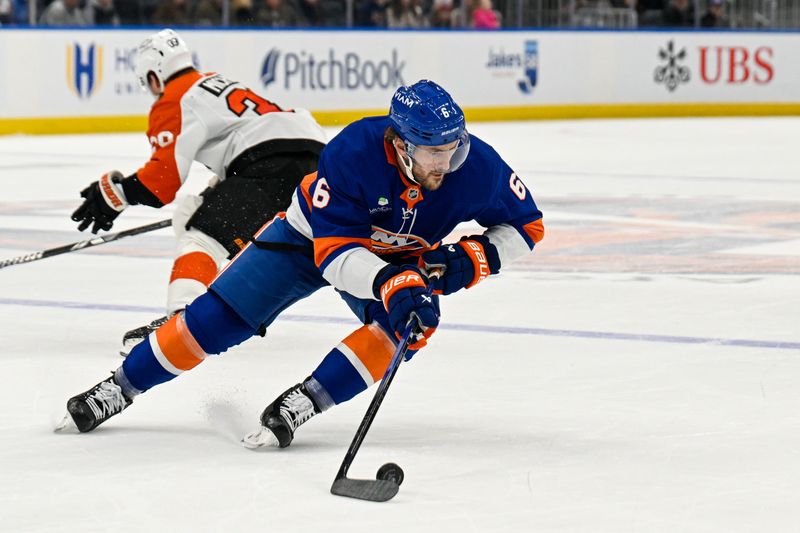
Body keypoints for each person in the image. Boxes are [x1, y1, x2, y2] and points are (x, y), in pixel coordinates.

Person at [60, 80, 545, 449]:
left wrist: (471, 260)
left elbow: (528, 225)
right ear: (400, 146)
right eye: (433, 152)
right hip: (309, 235)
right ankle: (120, 387)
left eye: (453, 148)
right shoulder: (353, 151)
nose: (446, 162)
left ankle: (306, 400)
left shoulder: (477, 166)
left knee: (411, 326)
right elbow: (334, 256)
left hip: (398, 256)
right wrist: (390, 280)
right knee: (217, 319)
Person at [69, 29, 327, 355]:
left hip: (270, 165)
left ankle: (181, 323)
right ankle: (223, 311)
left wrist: (115, 193)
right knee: (200, 213)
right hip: (315, 163)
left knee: (201, 236)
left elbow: (161, 183)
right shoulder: (213, 83)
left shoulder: (176, 96)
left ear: (155, 72)